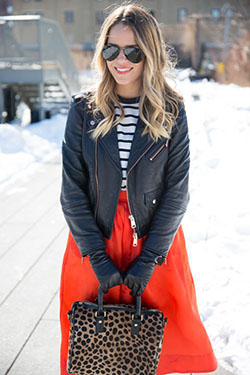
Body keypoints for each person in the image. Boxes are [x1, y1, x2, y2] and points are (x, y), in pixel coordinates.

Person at [59, 3, 217, 374]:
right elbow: (71, 191)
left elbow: (177, 192)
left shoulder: (172, 110)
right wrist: (97, 257)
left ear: (150, 53)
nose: (120, 60)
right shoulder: (84, 109)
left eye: (132, 51)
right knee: (94, 347)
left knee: (158, 347)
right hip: (93, 241)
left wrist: (149, 260)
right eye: (111, 49)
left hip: (154, 241)